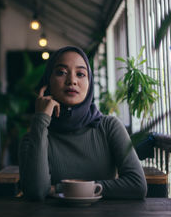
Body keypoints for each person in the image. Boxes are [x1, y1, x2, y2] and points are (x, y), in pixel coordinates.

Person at [19, 46, 147, 200]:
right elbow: (36, 192)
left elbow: (137, 185)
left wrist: (60, 189)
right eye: (61, 72)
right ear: (48, 81)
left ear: (89, 82)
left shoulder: (108, 127)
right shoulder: (34, 137)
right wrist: (40, 119)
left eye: (80, 74)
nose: (72, 81)